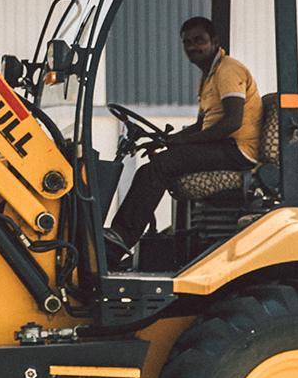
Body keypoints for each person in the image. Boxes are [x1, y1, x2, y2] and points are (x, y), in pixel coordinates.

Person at [111, 15, 262, 248]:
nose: (193, 47)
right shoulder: (208, 76)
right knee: (155, 166)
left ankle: (121, 238)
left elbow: (232, 122)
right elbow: (202, 126)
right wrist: (169, 140)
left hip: (238, 150)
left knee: (158, 168)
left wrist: (187, 142)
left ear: (214, 41)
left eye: (199, 40)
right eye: (187, 42)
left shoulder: (228, 70)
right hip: (223, 146)